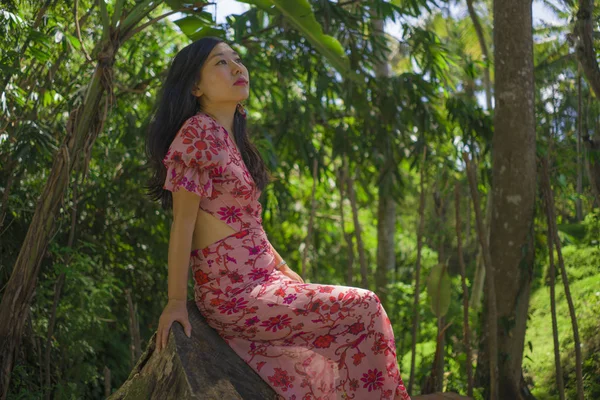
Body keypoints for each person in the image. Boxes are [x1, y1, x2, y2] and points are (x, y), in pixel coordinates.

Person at [145, 37, 411, 400]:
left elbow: (247, 221)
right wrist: (176, 302)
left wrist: (282, 267)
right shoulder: (198, 132)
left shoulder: (230, 140)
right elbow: (183, 224)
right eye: (221, 63)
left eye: (238, 59)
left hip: (264, 279)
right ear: (195, 86)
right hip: (234, 292)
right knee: (365, 306)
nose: (238, 67)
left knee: (355, 323)